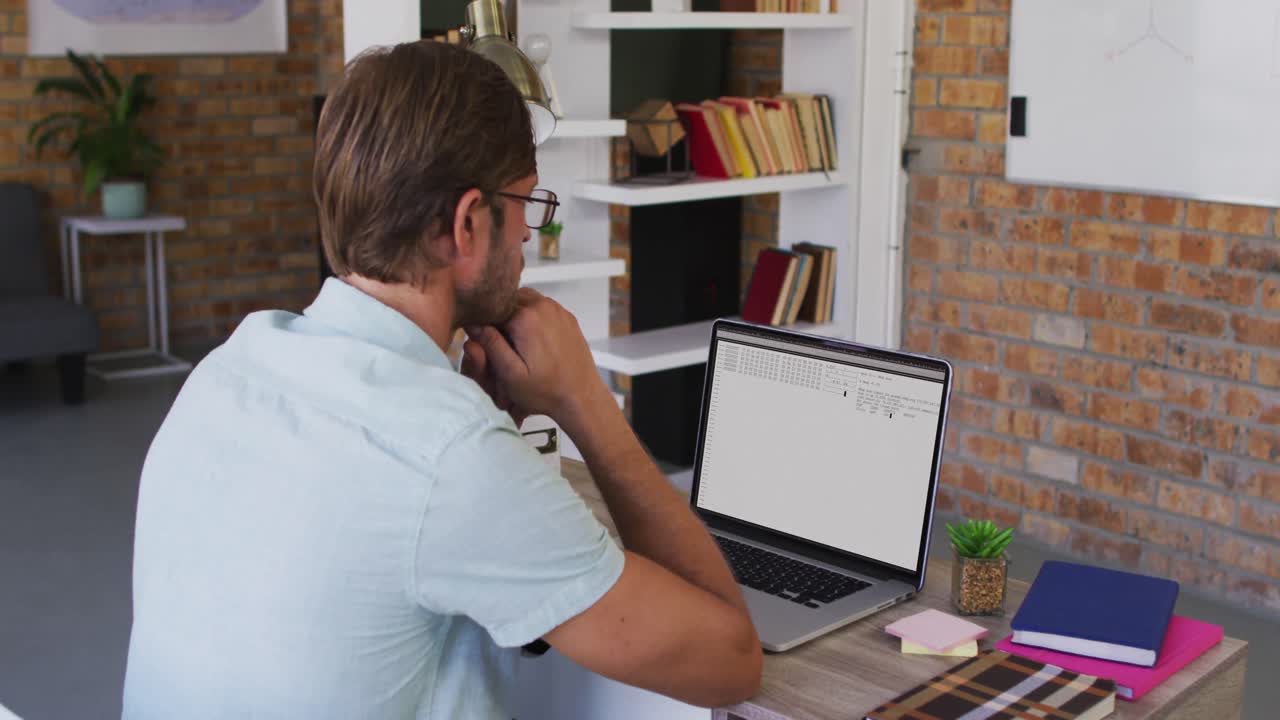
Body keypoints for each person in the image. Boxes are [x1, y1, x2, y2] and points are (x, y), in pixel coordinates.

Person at [122, 39, 761, 719]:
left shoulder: (228, 368)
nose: (525, 237)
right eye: (524, 203)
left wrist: (484, 434)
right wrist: (584, 402)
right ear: (465, 224)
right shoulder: (450, 456)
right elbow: (731, 663)